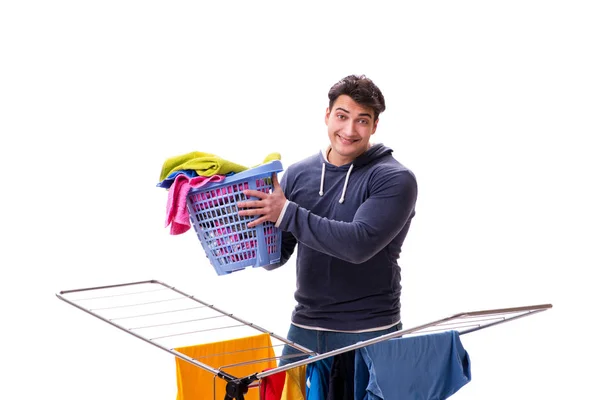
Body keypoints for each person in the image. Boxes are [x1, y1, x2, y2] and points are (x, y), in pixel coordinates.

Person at [237, 74, 418, 365]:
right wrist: (251, 227)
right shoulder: (299, 174)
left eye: (362, 120)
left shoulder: (394, 178)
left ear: (374, 125)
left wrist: (285, 212)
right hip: (305, 329)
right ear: (327, 115)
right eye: (342, 116)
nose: (349, 129)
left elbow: (358, 245)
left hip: (369, 332)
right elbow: (276, 257)